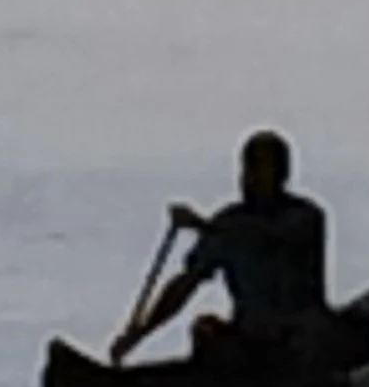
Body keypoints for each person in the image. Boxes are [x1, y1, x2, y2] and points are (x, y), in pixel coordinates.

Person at [108, 130, 328, 369]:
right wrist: (139, 333)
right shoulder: (228, 221)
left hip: (300, 345)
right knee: (205, 331)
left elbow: (268, 240)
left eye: (260, 170)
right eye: (247, 169)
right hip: (251, 341)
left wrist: (203, 226)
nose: (249, 179)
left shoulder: (305, 217)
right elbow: (185, 285)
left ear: (282, 175)